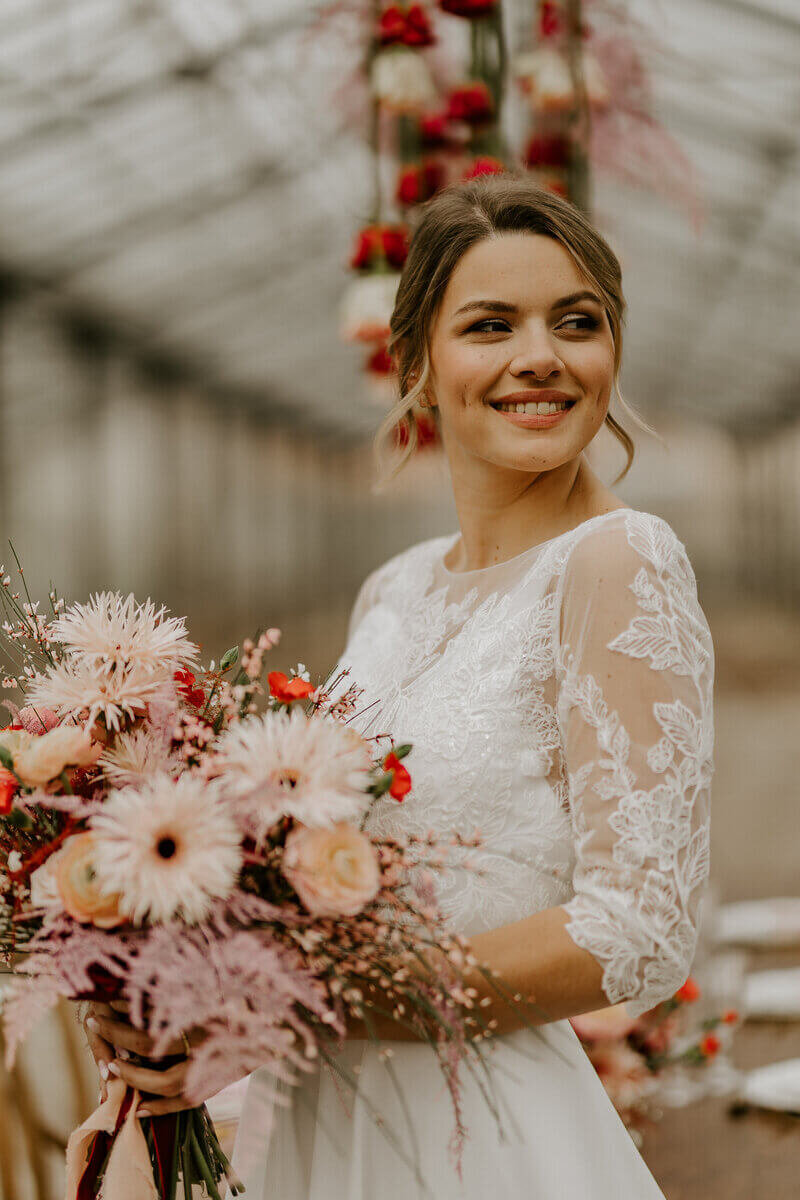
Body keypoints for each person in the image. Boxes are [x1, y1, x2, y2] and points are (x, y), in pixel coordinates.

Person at [87, 176, 714, 1199]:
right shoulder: (396, 587)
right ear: (416, 363)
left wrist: (278, 1000)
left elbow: (635, 932)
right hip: (318, 1127)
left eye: (575, 321)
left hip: (484, 1145)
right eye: (487, 325)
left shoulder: (618, 561)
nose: (539, 357)